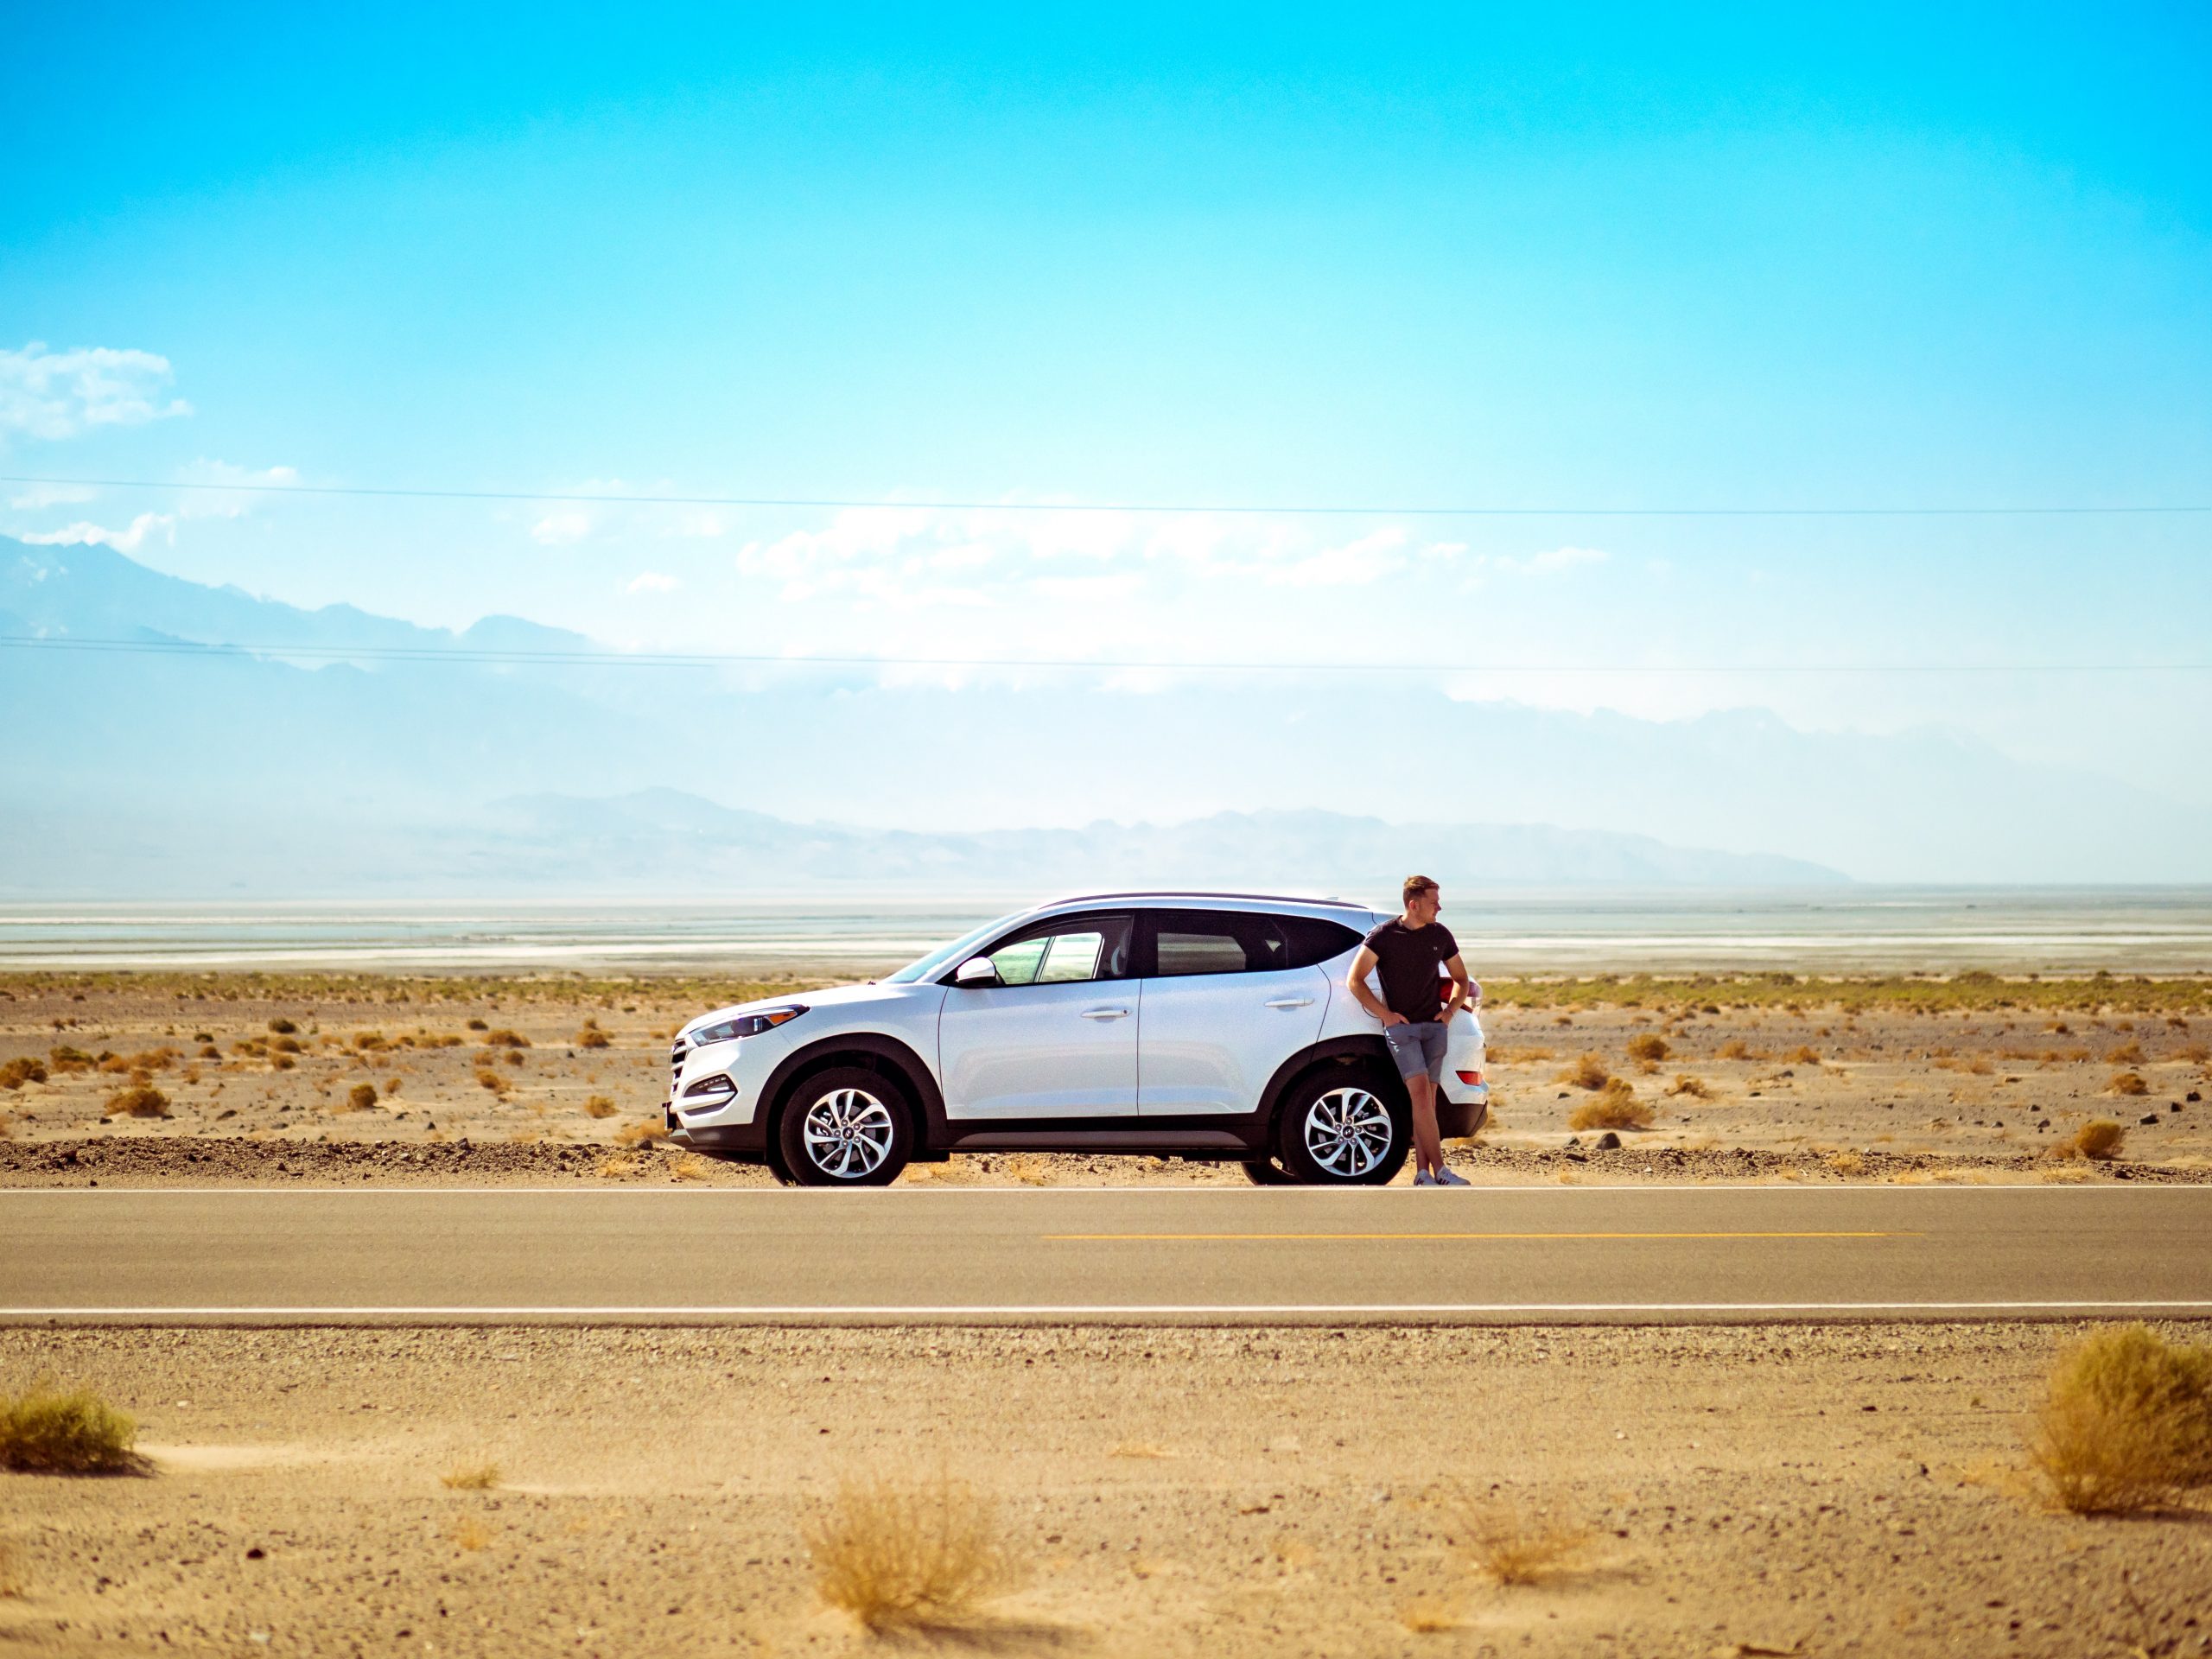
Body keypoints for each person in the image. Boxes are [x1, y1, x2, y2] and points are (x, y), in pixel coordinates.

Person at [1346, 874, 1473, 1186]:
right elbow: (1355, 980)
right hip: (1402, 1032)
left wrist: (1448, 1013)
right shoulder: (1383, 936)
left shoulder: (1440, 935)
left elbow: (1462, 979)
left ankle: (1422, 1173)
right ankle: (1441, 1171)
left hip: (1434, 1028)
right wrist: (1385, 1015)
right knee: (1419, 1095)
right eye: (1433, 903)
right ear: (1414, 905)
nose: (1439, 908)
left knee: (1427, 1102)